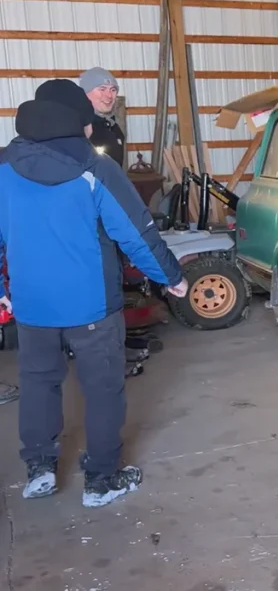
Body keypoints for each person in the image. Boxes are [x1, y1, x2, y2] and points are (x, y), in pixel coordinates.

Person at [0, 79, 188, 507]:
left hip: (31, 306)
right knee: (103, 389)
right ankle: (102, 480)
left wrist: (2, 291)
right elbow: (136, 232)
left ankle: (40, 470)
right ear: (79, 124)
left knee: (38, 384)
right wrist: (171, 277)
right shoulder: (95, 169)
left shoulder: (4, 169)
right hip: (92, 307)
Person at [80, 67, 125, 166]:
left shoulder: (115, 129)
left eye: (113, 90)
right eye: (102, 89)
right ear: (85, 93)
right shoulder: (78, 129)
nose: (109, 96)